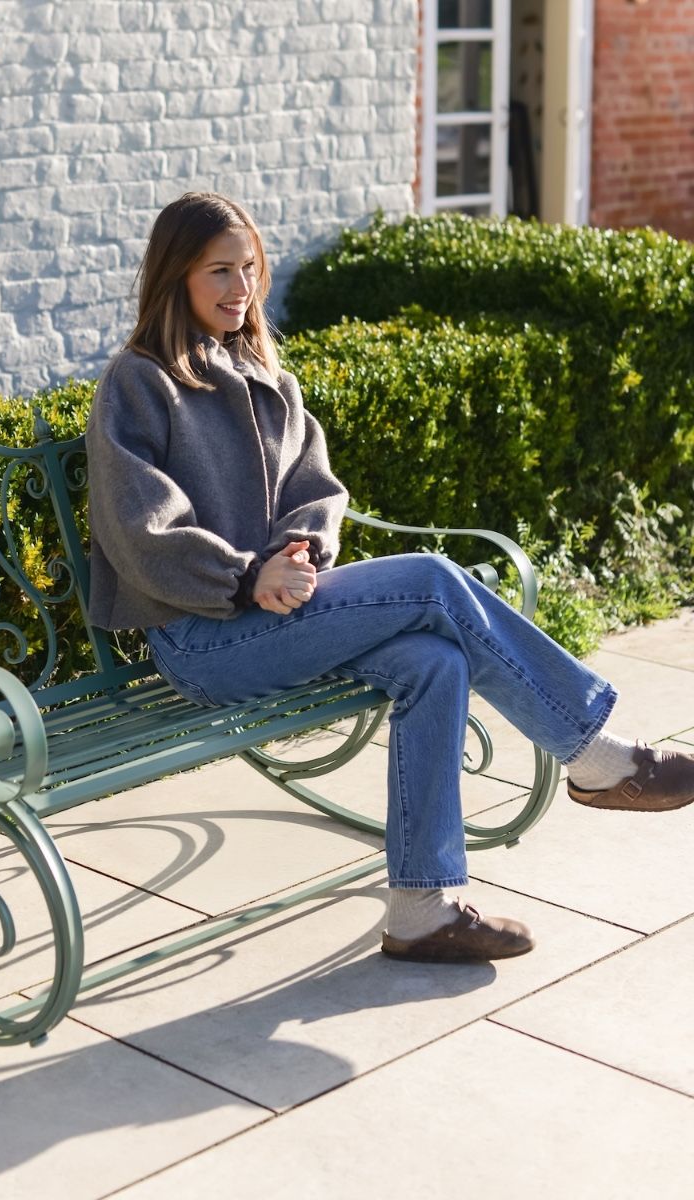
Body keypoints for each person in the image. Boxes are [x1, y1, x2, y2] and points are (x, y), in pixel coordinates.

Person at [85, 191, 694, 964]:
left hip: (280, 616)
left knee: (434, 661)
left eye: (250, 268)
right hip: (203, 639)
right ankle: (595, 754)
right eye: (219, 271)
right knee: (433, 580)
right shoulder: (138, 382)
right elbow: (140, 529)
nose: (241, 288)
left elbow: (315, 488)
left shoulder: (265, 372)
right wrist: (244, 578)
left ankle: (420, 910)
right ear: (176, 275)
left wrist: (300, 552)